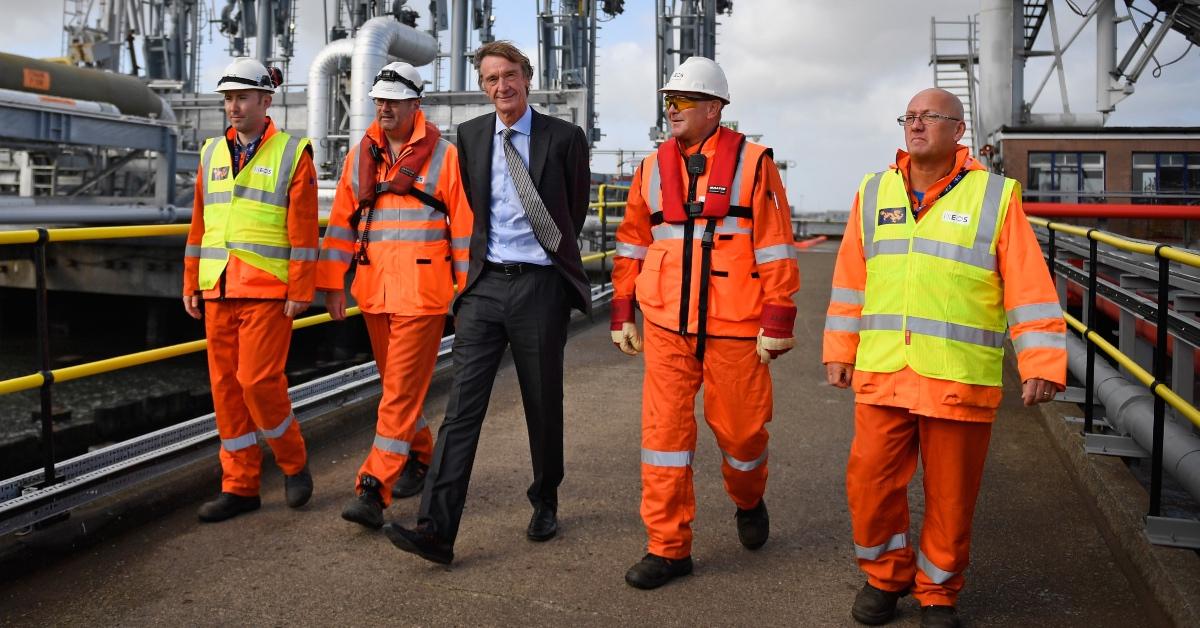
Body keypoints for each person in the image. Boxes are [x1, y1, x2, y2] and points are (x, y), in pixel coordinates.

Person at [823, 88, 1067, 628]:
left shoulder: (995, 197)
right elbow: (849, 282)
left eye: (928, 117)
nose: (915, 125)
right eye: (908, 117)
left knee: (951, 497)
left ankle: (938, 592)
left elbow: (1028, 287)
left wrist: (1042, 363)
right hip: (884, 369)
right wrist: (839, 351)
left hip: (957, 377)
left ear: (958, 130)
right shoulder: (873, 192)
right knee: (869, 484)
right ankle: (884, 577)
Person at [382, 40, 591, 564]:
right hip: (485, 287)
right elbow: (473, 205)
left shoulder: (564, 138)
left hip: (540, 287)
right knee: (460, 411)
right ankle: (436, 529)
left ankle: (545, 498)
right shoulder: (471, 136)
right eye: (492, 79)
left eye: (511, 75)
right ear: (484, 86)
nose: (502, 86)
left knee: (542, 403)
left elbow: (575, 207)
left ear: (528, 77)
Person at [610, 56, 800, 589]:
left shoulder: (755, 163)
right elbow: (631, 244)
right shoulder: (650, 170)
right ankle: (668, 548)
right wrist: (623, 310)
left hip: (736, 326)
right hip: (668, 325)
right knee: (664, 439)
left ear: (715, 109)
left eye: (683, 101)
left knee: (741, 436)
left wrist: (778, 317)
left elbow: (776, 246)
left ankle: (749, 498)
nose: (671, 109)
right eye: (669, 101)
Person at [316, 62, 473, 529]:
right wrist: (331, 285)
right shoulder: (358, 157)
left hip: (424, 296)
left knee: (400, 393)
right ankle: (421, 458)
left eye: (394, 101)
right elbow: (341, 225)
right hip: (374, 292)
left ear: (415, 105)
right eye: (379, 100)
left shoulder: (446, 157)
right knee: (397, 391)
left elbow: (463, 231)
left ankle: (373, 487)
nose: (384, 107)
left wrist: (465, 296)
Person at [182, 57, 318, 522]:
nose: (232, 107)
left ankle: (293, 463)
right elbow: (200, 224)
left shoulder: (292, 153)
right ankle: (239, 486)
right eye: (227, 99)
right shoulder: (209, 153)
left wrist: (302, 288)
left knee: (258, 383)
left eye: (241, 98)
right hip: (217, 286)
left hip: (267, 289)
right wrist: (191, 282)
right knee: (225, 390)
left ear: (266, 99)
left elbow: (303, 233)